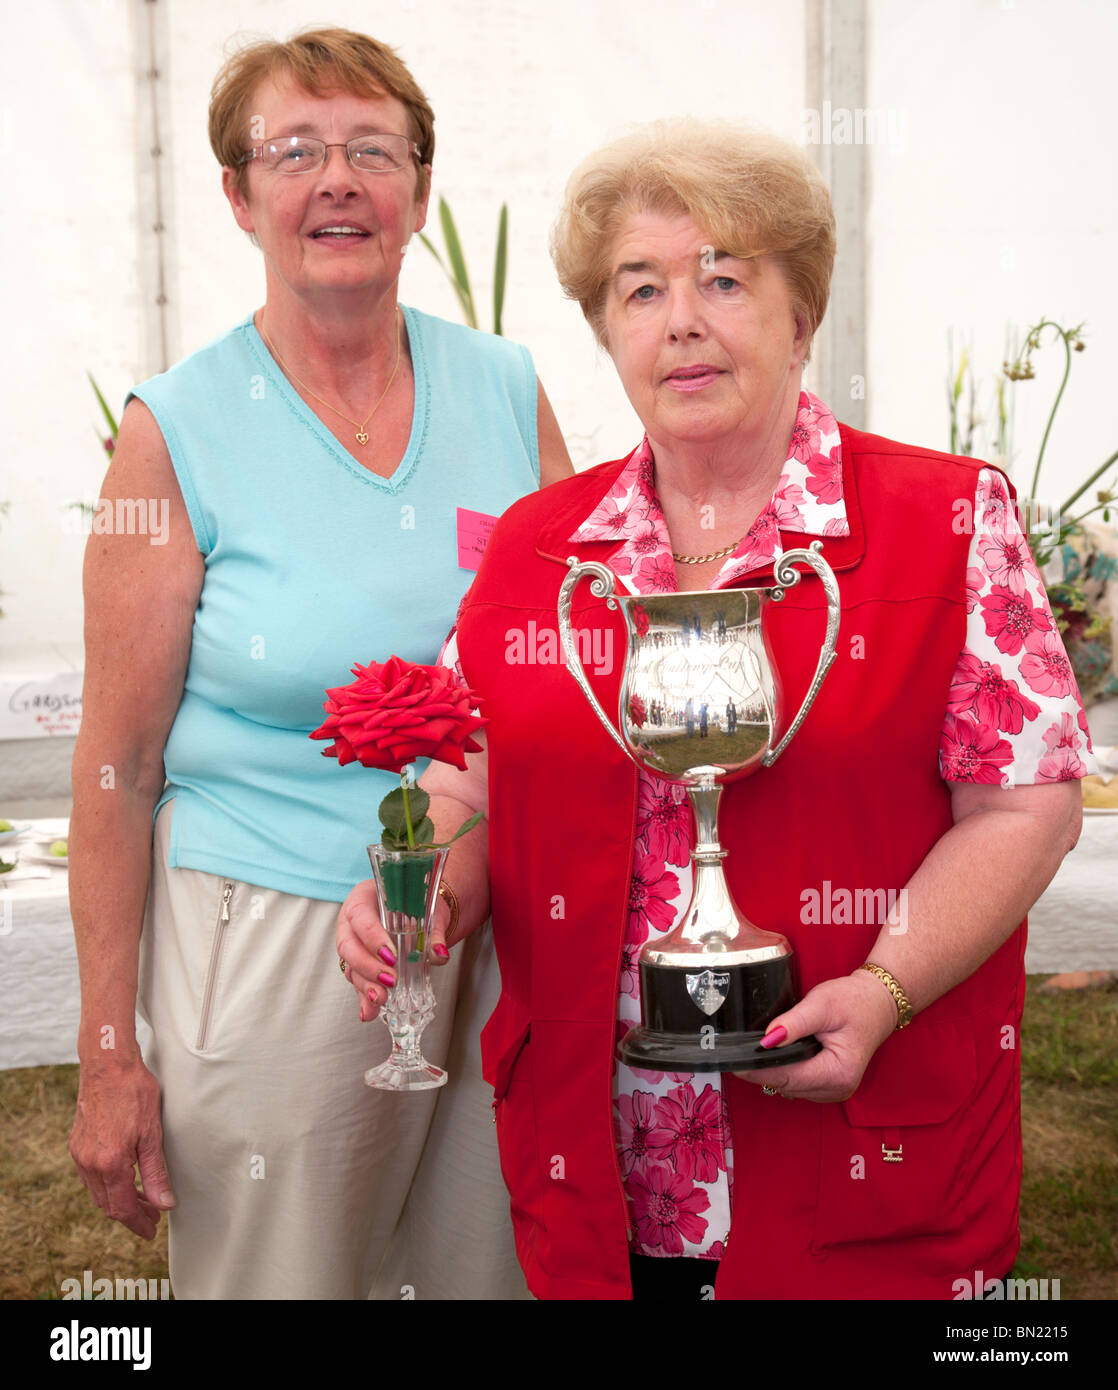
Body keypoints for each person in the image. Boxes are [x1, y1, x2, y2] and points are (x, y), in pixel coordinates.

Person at [337, 118, 1095, 1300]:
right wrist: (417, 887)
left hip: (856, 1128)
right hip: (597, 1157)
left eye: (724, 278)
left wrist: (886, 986)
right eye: (639, 289)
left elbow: (1024, 807)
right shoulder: (538, 547)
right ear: (607, 332)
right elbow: (463, 780)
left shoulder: (942, 520)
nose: (679, 318)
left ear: (802, 316)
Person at [67, 26, 571, 1300]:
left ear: (418, 190)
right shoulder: (175, 429)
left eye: (371, 150)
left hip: (489, 927)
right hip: (275, 940)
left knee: (486, 1274)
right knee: (281, 1281)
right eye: (292, 151)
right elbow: (116, 762)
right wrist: (108, 1049)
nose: (335, 179)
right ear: (238, 198)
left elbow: (576, 648)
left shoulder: (505, 387)